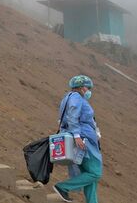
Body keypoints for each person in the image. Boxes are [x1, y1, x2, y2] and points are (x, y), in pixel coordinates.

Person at [53, 75, 102, 203]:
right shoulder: (76, 97)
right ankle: (63, 187)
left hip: (82, 137)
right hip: (83, 140)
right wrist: (77, 135)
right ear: (81, 87)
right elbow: (72, 116)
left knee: (89, 174)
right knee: (95, 173)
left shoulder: (68, 98)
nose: (89, 90)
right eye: (88, 87)